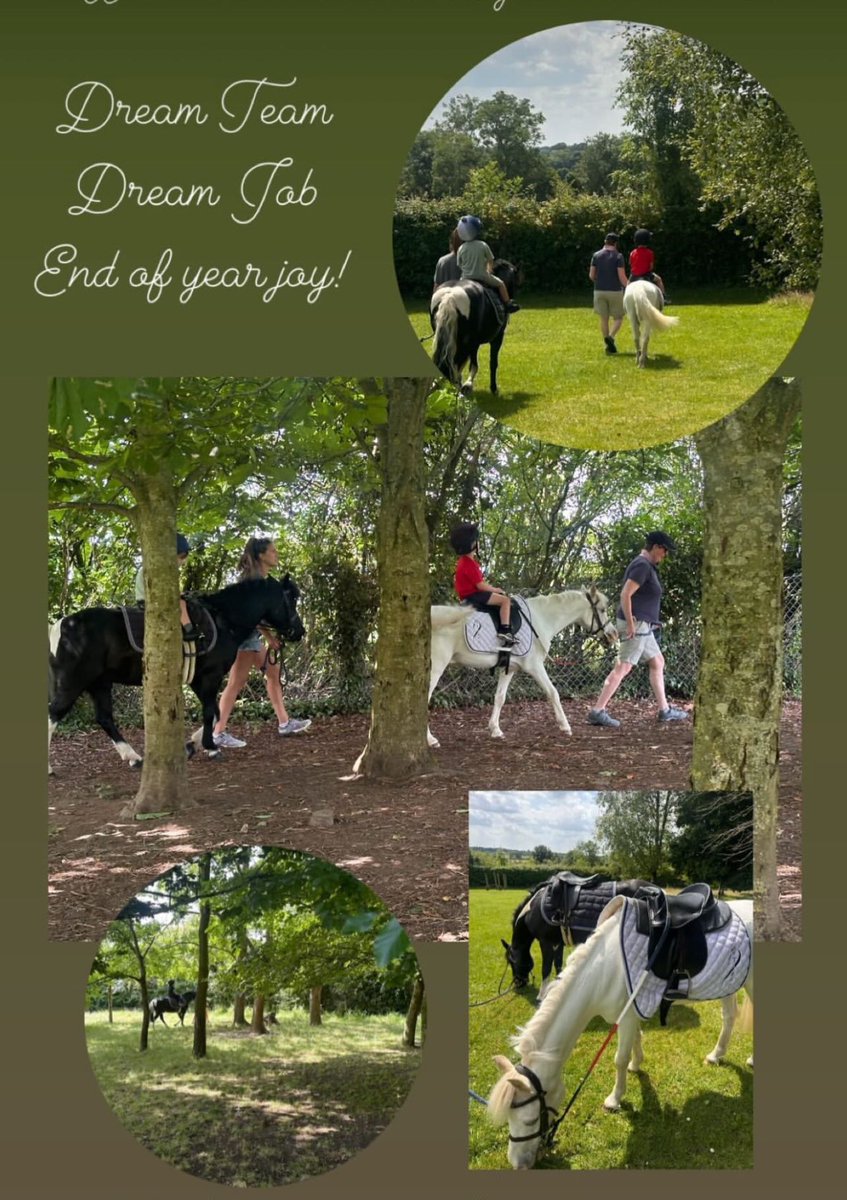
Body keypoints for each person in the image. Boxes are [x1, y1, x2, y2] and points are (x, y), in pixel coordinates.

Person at [212, 536, 312, 748]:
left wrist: (269, 636)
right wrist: (269, 637)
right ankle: (217, 733)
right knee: (235, 683)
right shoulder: (252, 583)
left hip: (252, 637)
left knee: (273, 674)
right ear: (261, 555)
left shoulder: (265, 582)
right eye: (273, 551)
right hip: (244, 638)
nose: (276, 554)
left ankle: (284, 723)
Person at [587, 531, 689, 728]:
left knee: (658, 662)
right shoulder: (642, 565)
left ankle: (664, 710)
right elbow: (625, 594)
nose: (665, 555)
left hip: (643, 624)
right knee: (624, 666)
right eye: (665, 550)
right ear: (656, 547)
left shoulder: (645, 565)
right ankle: (597, 711)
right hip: (636, 624)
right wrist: (632, 625)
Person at [450, 522, 514, 646]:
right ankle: (505, 630)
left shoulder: (462, 562)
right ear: (473, 544)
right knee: (505, 601)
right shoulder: (470, 564)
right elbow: (480, 586)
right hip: (475, 596)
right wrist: (495, 589)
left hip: (467, 596)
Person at [134, 533, 196, 640]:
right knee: (181, 603)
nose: (184, 561)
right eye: (182, 556)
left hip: (144, 600)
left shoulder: (150, 567)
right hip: (150, 602)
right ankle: (188, 629)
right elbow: (166, 593)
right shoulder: (161, 571)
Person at [455, 215, 520, 313]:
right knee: (501, 284)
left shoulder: (461, 248)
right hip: (482, 276)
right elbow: (491, 260)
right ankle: (508, 304)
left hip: (465, 278)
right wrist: (489, 270)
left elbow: (459, 264)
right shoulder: (483, 245)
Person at [589, 232, 628, 354]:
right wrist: (630, 287)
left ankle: (607, 344)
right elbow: (622, 277)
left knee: (604, 318)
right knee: (618, 318)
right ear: (616, 243)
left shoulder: (596, 255)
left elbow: (591, 275)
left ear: (605, 242)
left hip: (599, 290)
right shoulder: (618, 256)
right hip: (615, 291)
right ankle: (610, 337)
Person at [628, 228, 666, 298]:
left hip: (634, 276)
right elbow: (651, 267)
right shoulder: (650, 252)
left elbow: (631, 264)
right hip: (646, 275)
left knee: (627, 287)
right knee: (659, 280)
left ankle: (624, 298)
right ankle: (663, 297)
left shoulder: (632, 252)